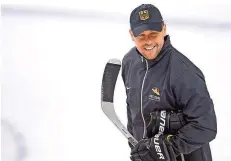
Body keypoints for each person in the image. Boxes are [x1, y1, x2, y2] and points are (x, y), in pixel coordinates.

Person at [121, 4, 217, 161]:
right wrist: (138, 148)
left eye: (153, 34)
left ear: (164, 29)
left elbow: (205, 126)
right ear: (132, 34)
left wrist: (168, 148)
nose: (148, 42)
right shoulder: (130, 62)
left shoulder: (183, 72)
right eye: (141, 36)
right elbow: (133, 111)